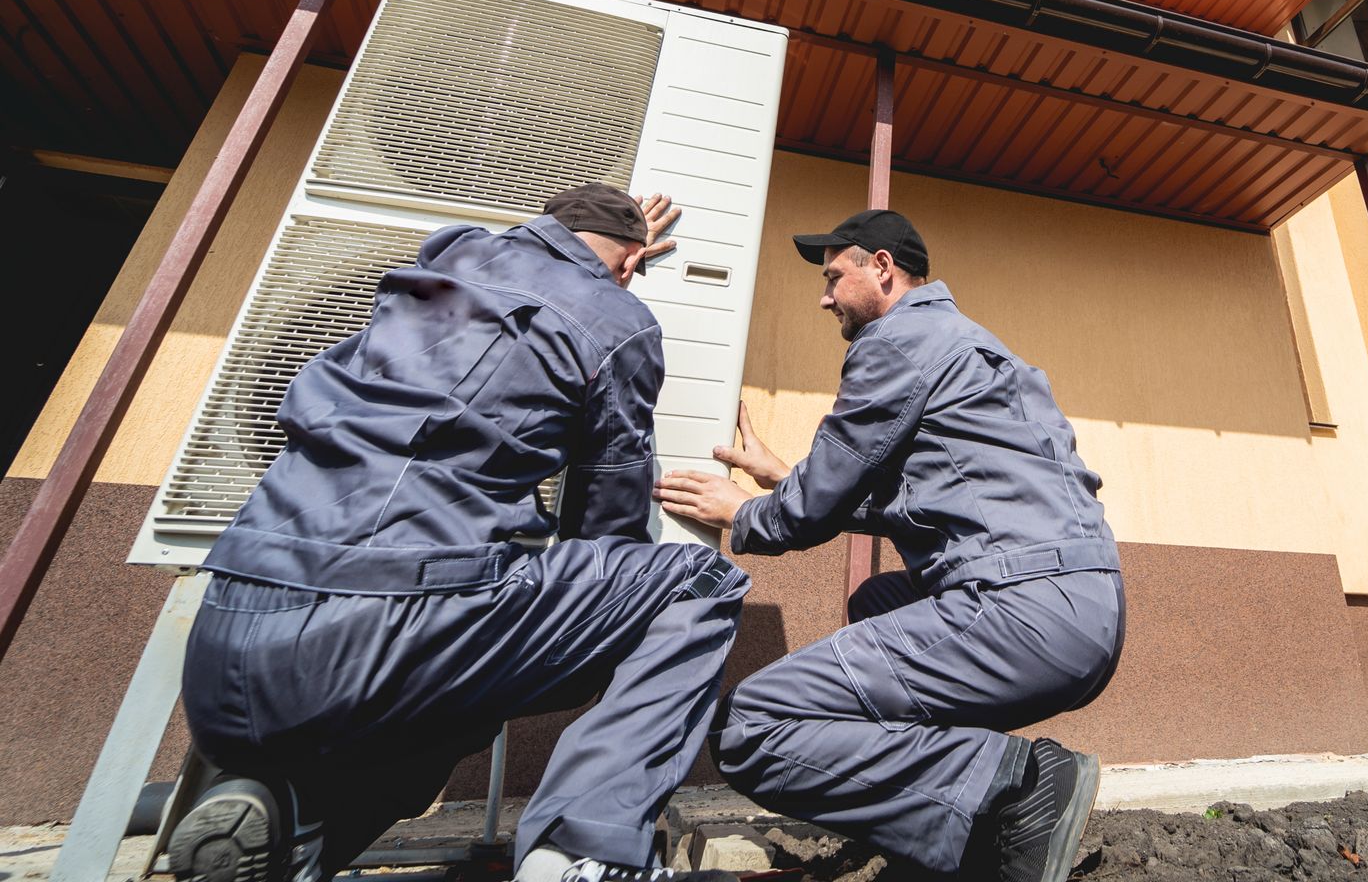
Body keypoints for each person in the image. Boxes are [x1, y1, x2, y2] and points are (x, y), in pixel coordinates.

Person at [170, 183, 747, 882]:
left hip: (224, 638)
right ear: (629, 262)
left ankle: (292, 823)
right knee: (695, 581)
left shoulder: (432, 273)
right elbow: (607, 524)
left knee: (452, 706)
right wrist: (584, 654)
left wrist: (600, 244)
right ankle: (585, 851)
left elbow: (518, 264)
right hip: (379, 628)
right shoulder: (618, 319)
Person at [655, 209, 1126, 882]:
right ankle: (961, 813)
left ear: (882, 268)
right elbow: (924, 495)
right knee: (878, 597)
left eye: (833, 277)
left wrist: (747, 513)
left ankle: (1019, 786)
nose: (824, 297)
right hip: (1085, 608)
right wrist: (787, 478)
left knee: (750, 728)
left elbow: (806, 515)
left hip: (1020, 608)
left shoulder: (897, 340)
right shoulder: (969, 345)